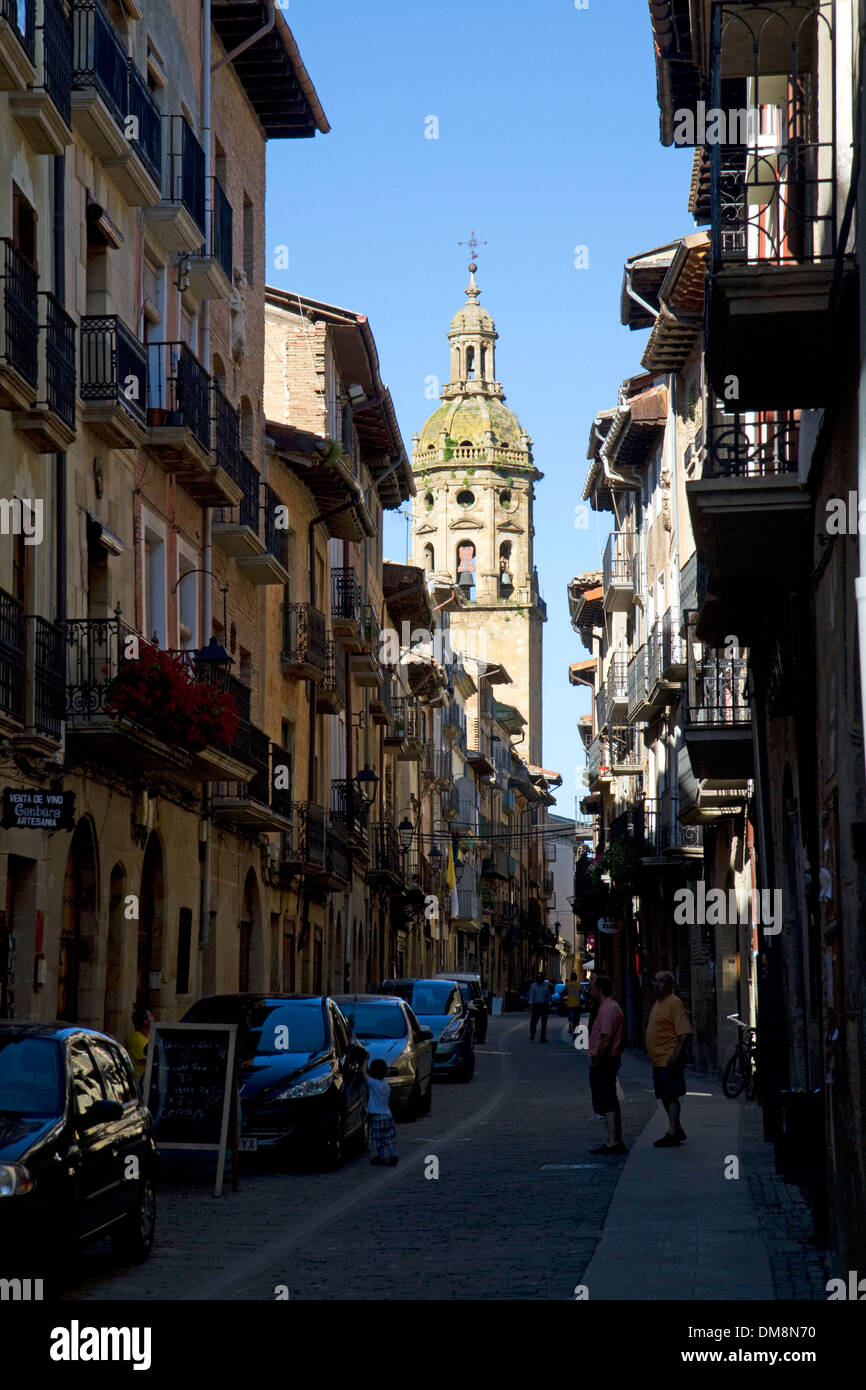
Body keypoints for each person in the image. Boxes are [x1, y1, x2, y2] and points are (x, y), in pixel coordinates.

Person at [646, 970, 693, 1147]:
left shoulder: (674, 1003)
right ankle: (677, 1128)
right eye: (655, 981)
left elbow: (684, 1032)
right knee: (665, 1096)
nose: (657, 984)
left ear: (670, 985)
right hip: (658, 1059)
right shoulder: (658, 1003)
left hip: (668, 1058)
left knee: (671, 1095)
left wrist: (676, 1054)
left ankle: (673, 1132)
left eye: (661, 982)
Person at [588, 975, 626, 1155]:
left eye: (592, 987)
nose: (590, 989)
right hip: (609, 1059)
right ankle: (615, 1139)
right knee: (609, 1099)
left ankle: (612, 1142)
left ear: (600, 990)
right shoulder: (609, 1007)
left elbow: (606, 1038)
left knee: (607, 1100)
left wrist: (597, 1058)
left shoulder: (607, 1010)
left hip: (605, 1060)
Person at [365, 1056, 398, 1167]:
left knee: (379, 1139)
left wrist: (365, 1059)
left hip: (376, 1116)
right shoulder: (386, 1085)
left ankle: (381, 1157)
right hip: (388, 1115)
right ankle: (393, 1155)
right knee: (389, 1137)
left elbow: (363, 1073)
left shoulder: (373, 1083)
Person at [127, 1007, 153, 1083]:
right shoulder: (137, 1038)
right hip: (140, 1081)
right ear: (145, 1021)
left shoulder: (145, 1037)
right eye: (150, 1016)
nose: (153, 1018)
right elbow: (145, 1060)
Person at [528, 972, 551, 1042]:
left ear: (543, 978)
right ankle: (532, 1032)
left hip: (544, 1005)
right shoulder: (533, 986)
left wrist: (549, 1003)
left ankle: (543, 1037)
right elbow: (531, 995)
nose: (539, 979)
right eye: (538, 977)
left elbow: (548, 995)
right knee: (534, 1021)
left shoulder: (546, 985)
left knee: (544, 1022)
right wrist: (531, 1003)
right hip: (536, 1005)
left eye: (541, 977)